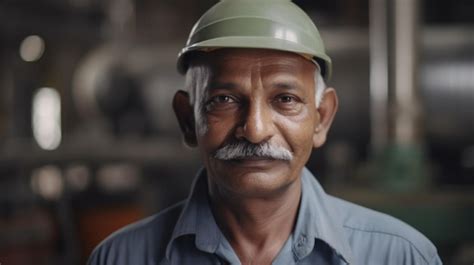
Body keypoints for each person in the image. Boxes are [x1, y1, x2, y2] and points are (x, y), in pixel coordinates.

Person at [88, 0, 442, 264]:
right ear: (187, 119)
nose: (255, 130)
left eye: (285, 99)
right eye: (224, 99)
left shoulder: (399, 255)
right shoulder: (122, 257)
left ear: (321, 118)